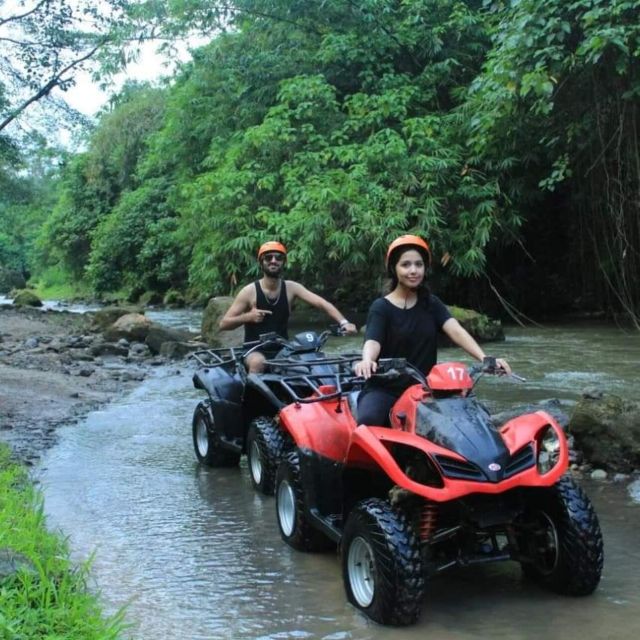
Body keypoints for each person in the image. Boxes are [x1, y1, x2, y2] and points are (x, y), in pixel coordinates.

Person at [354, 234, 511, 426]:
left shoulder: (431, 303)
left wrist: (486, 359)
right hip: (385, 389)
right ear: (394, 269)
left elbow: (456, 331)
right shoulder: (381, 307)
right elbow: (373, 340)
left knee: (475, 416)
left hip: (426, 389)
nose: (413, 271)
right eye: (406, 265)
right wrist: (367, 360)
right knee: (368, 420)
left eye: (418, 265)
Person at [219, 241, 358, 372]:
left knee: (314, 362)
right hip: (254, 349)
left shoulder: (292, 288)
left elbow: (322, 303)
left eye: (278, 258)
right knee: (258, 363)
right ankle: (251, 397)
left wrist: (344, 322)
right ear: (261, 262)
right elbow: (224, 324)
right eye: (268, 257)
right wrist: (247, 317)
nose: (273, 260)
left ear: (283, 262)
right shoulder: (249, 291)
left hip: (284, 348)